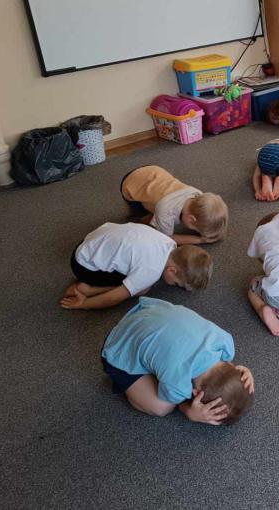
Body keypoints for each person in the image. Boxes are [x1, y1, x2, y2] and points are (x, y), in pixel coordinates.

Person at [101, 297, 254, 425]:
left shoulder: (226, 342)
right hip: (117, 347)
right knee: (162, 407)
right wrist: (188, 411)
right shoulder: (178, 386)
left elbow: (227, 367)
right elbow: (179, 401)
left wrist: (236, 376)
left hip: (148, 312)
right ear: (195, 393)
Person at [60, 222, 212, 310]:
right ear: (171, 270)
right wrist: (84, 304)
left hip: (88, 242)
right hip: (83, 266)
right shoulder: (151, 271)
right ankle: (87, 289)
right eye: (176, 283)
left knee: (139, 278)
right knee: (141, 289)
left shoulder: (169, 243)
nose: (173, 286)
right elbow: (114, 298)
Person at [121, 165, 228, 244]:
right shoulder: (166, 212)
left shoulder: (198, 194)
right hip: (131, 183)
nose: (195, 231)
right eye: (196, 230)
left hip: (153, 171)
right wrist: (199, 240)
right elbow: (166, 239)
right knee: (145, 220)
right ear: (191, 218)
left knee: (155, 204)